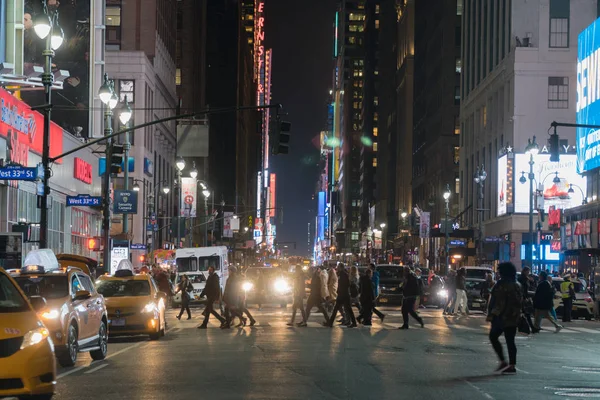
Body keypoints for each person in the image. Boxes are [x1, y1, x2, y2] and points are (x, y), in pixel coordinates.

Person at [487, 262, 522, 375]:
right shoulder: (517, 284)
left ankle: (503, 361)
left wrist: (492, 314)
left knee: (493, 336)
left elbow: (498, 301)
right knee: (510, 340)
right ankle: (512, 364)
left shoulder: (501, 284)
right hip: (513, 315)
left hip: (501, 316)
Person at [324, 263, 357, 328]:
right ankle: (330, 323)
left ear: (341, 267)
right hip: (342, 294)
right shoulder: (342, 274)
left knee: (346, 309)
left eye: (338, 267)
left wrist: (340, 291)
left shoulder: (343, 275)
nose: (337, 268)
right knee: (337, 309)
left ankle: (353, 322)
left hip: (344, 295)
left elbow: (345, 284)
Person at [518, 267, 538, 333]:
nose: (528, 273)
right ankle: (531, 327)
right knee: (526, 313)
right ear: (524, 271)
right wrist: (524, 297)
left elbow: (527, 288)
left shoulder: (525, 279)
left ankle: (531, 327)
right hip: (522, 298)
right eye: (528, 271)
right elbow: (522, 289)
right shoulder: (522, 279)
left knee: (527, 313)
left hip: (524, 298)